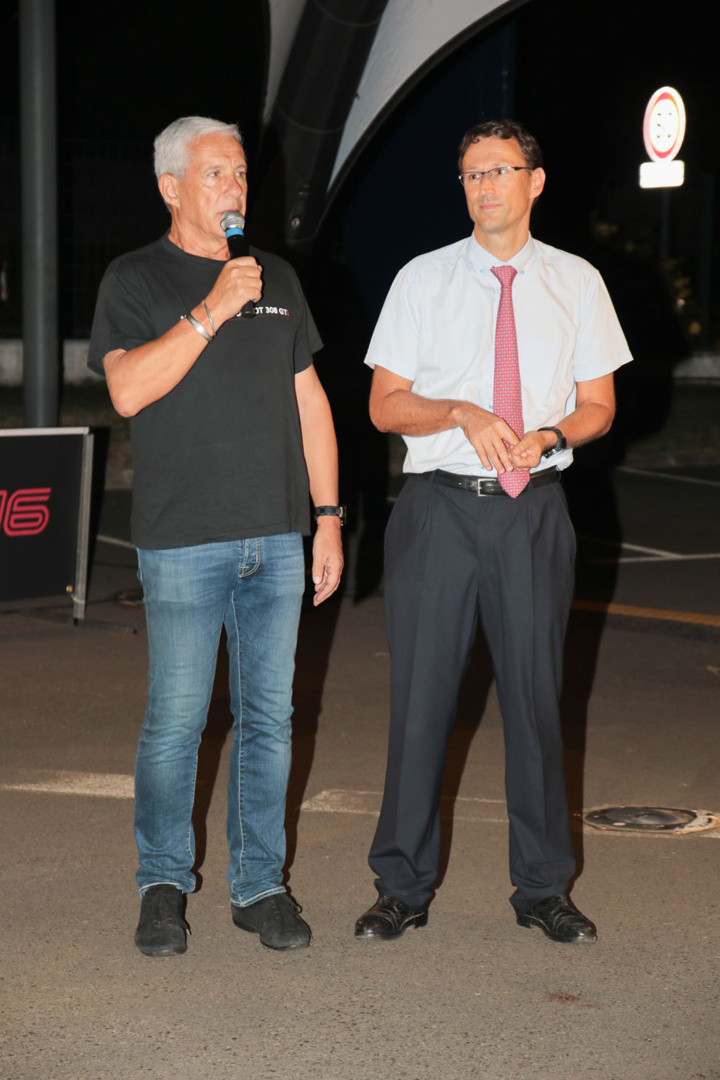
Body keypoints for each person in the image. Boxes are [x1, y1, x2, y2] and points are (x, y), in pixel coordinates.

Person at [355, 119, 632, 944]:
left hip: (532, 510)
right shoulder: (423, 279)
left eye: (500, 171)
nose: (484, 188)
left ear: (535, 183)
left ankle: (544, 888)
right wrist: (459, 411)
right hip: (438, 509)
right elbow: (382, 404)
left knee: (536, 702)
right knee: (421, 704)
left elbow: (600, 406)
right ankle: (399, 886)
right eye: (472, 174)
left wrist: (547, 436)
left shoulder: (577, 283)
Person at [88, 116, 344, 956]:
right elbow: (126, 390)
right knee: (178, 719)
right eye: (216, 174)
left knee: (270, 718)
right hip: (184, 539)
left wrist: (329, 518)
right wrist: (210, 309)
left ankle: (259, 886)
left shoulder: (278, 279)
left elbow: (311, 401)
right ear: (171, 187)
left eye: (239, 174)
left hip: (276, 535)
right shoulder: (135, 278)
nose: (235, 188)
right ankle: (162, 884)